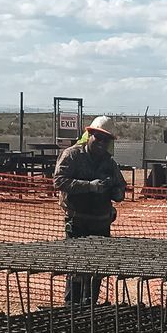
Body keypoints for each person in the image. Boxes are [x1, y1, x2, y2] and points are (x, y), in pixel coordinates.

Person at [53, 116, 127, 307]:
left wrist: (116, 191)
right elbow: (59, 181)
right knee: (77, 268)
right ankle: (72, 308)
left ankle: (90, 307)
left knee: (96, 270)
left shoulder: (109, 163)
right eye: (98, 138)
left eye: (106, 140)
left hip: (101, 223)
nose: (102, 143)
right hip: (78, 223)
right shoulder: (72, 155)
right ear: (90, 135)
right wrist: (89, 186)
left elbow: (121, 188)